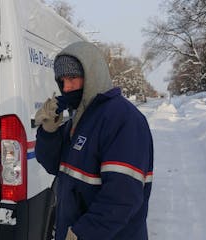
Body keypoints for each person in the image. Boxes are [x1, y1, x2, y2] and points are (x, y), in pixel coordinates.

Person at [34, 41, 154, 240]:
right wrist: (49, 132)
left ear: (92, 74)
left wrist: (84, 232)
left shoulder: (122, 119)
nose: (66, 87)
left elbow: (122, 196)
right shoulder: (79, 120)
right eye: (61, 80)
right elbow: (52, 165)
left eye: (72, 78)